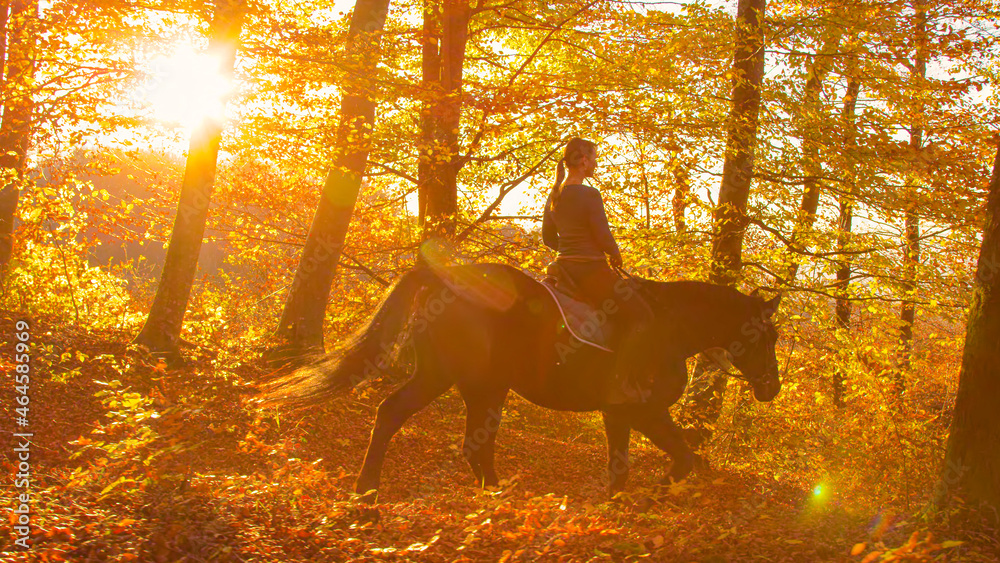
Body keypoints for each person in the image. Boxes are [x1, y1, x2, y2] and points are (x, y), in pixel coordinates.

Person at [542, 137, 656, 403]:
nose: (595, 162)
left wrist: (568, 249)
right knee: (643, 317)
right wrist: (615, 255)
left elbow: (548, 237)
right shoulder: (589, 194)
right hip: (590, 270)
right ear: (583, 161)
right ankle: (620, 382)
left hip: (563, 267)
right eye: (594, 158)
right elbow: (603, 235)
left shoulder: (555, 194)